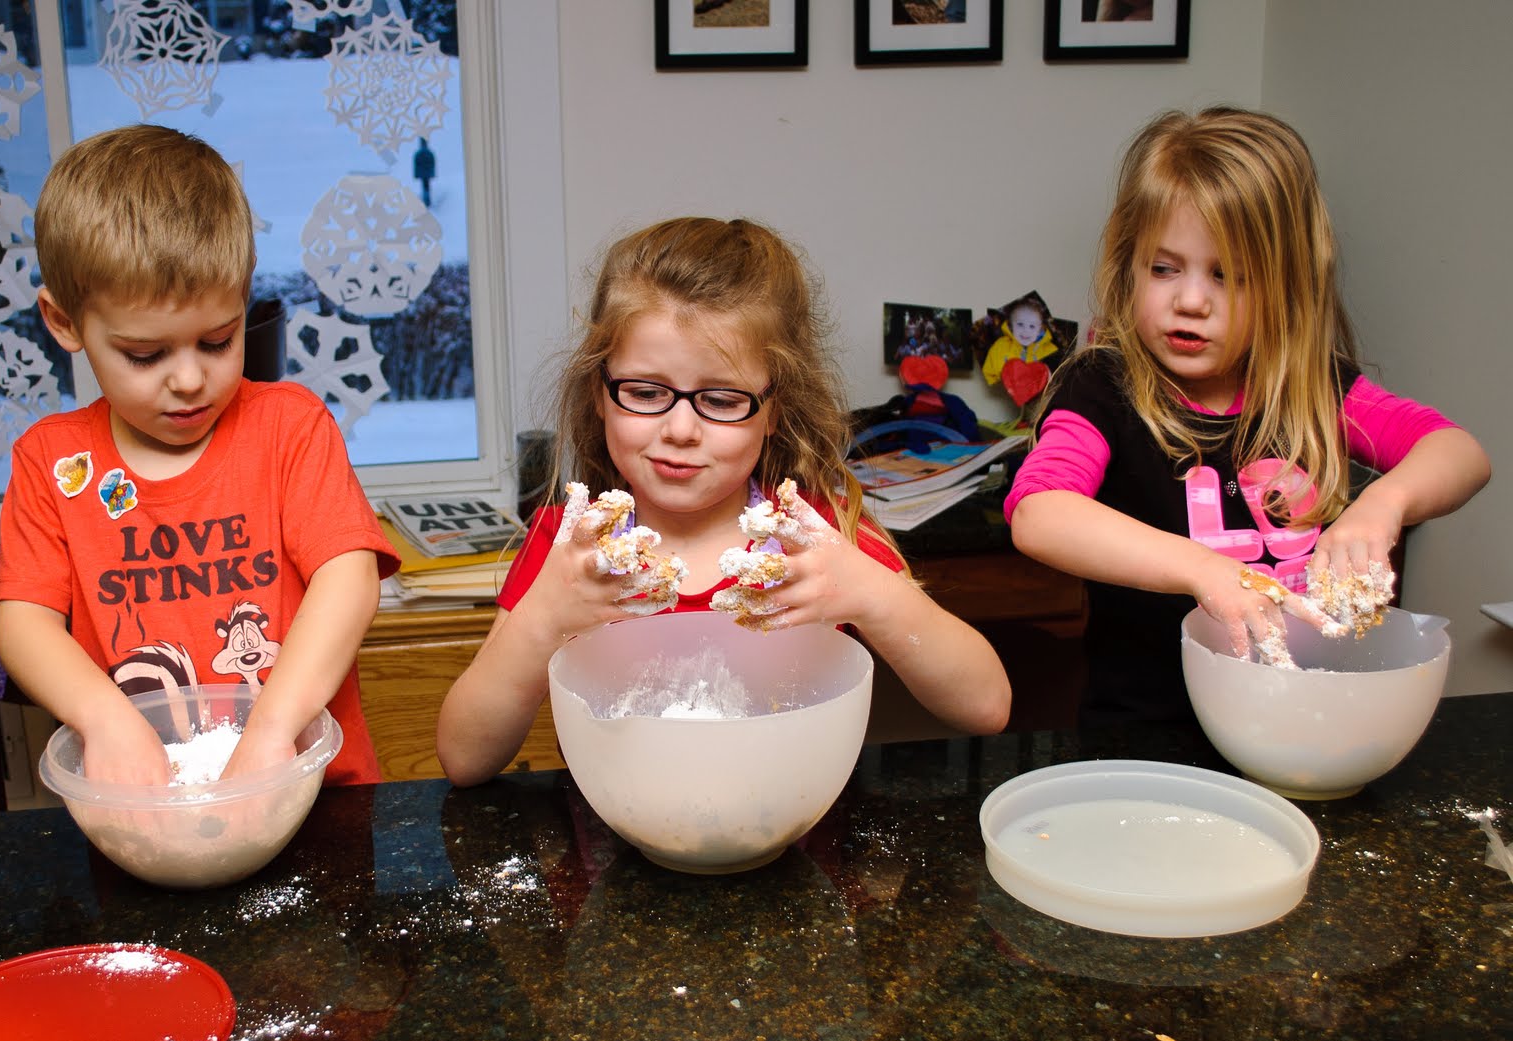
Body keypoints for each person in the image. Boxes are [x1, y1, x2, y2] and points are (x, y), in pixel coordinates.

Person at [437, 217, 1010, 785]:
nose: (681, 429)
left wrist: (873, 595)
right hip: (616, 828)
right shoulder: (572, 548)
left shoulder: (813, 536)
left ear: (772, 410)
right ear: (600, 394)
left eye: (722, 400)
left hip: (793, 825)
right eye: (645, 392)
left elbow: (986, 707)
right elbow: (465, 759)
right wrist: (542, 619)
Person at [1006, 107, 1490, 724]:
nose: (1190, 300)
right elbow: (1040, 513)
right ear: (1128, 266)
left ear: (1287, 286)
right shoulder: (1102, 389)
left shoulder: (1314, 388)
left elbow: (1460, 453)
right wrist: (1203, 570)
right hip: (1152, 735)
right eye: (1163, 268)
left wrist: (1383, 505)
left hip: (1301, 723)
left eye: (1228, 276)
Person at [0, 124, 400, 786]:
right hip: (148, 802)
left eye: (217, 341)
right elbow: (24, 624)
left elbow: (347, 579)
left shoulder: (289, 428)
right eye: (145, 354)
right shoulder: (53, 462)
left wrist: (273, 728)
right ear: (64, 321)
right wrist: (105, 720)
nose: (188, 379)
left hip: (314, 794)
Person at [413, 136, 436, 208]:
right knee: (427, 186)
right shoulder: (429, 153)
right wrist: (432, 173)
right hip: (428, 174)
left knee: (424, 186)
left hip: (422, 174)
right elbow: (432, 164)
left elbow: (416, 165)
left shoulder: (418, 153)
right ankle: (427, 200)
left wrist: (416, 174)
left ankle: (426, 200)